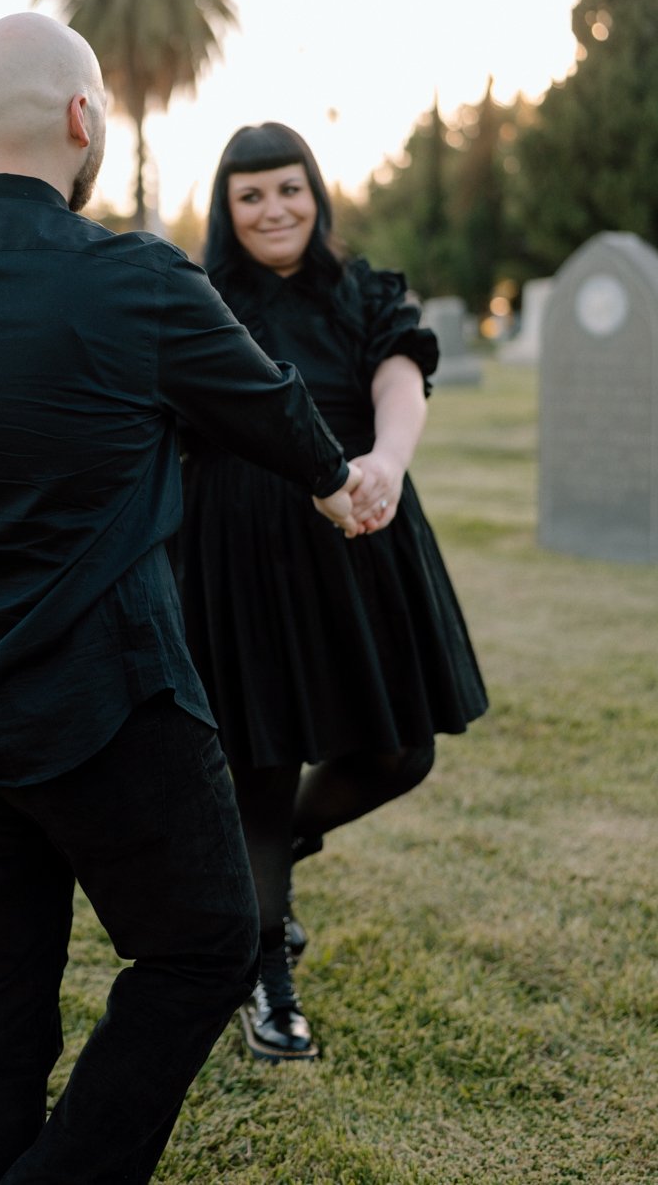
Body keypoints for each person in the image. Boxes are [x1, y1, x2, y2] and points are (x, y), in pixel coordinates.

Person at [0, 18, 365, 1184]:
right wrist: (334, 483)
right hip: (106, 703)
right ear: (84, 118)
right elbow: (268, 407)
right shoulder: (133, 281)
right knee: (206, 946)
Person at [174, 121, 488, 1063]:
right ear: (227, 212)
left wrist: (386, 462)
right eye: (252, 195)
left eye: (291, 189)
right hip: (240, 542)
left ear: (318, 192)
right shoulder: (198, 298)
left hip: (363, 526)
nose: (276, 210)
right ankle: (263, 974)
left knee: (398, 750)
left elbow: (400, 370)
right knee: (262, 764)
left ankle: (261, 867)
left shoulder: (362, 289)